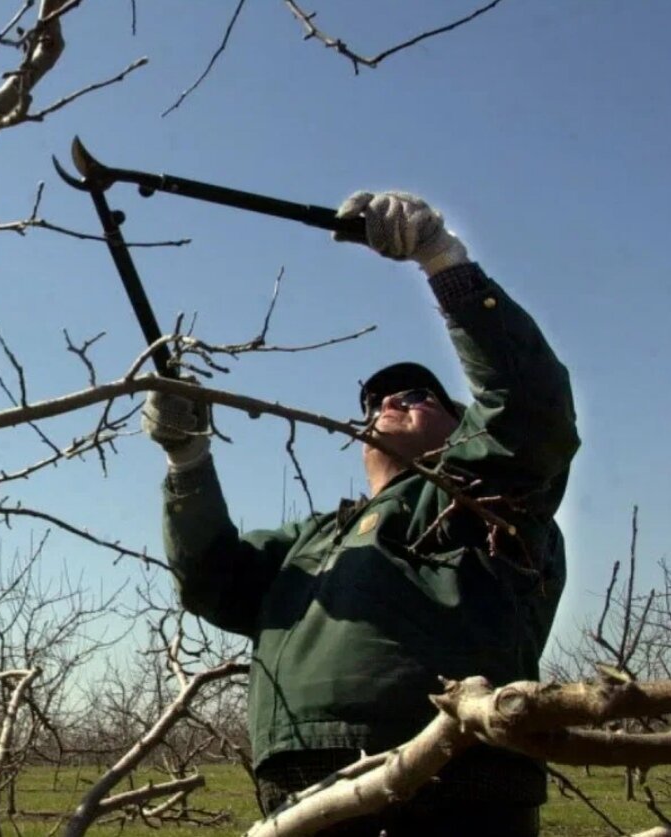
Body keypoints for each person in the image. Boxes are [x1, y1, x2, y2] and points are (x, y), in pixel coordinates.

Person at [141, 191, 579, 836]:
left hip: (455, 770)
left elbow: (529, 410)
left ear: (465, 431)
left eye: (416, 395)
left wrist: (443, 262)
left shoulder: (483, 495)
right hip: (302, 784)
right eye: (376, 400)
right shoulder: (311, 538)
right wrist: (187, 460)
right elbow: (212, 580)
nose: (390, 402)